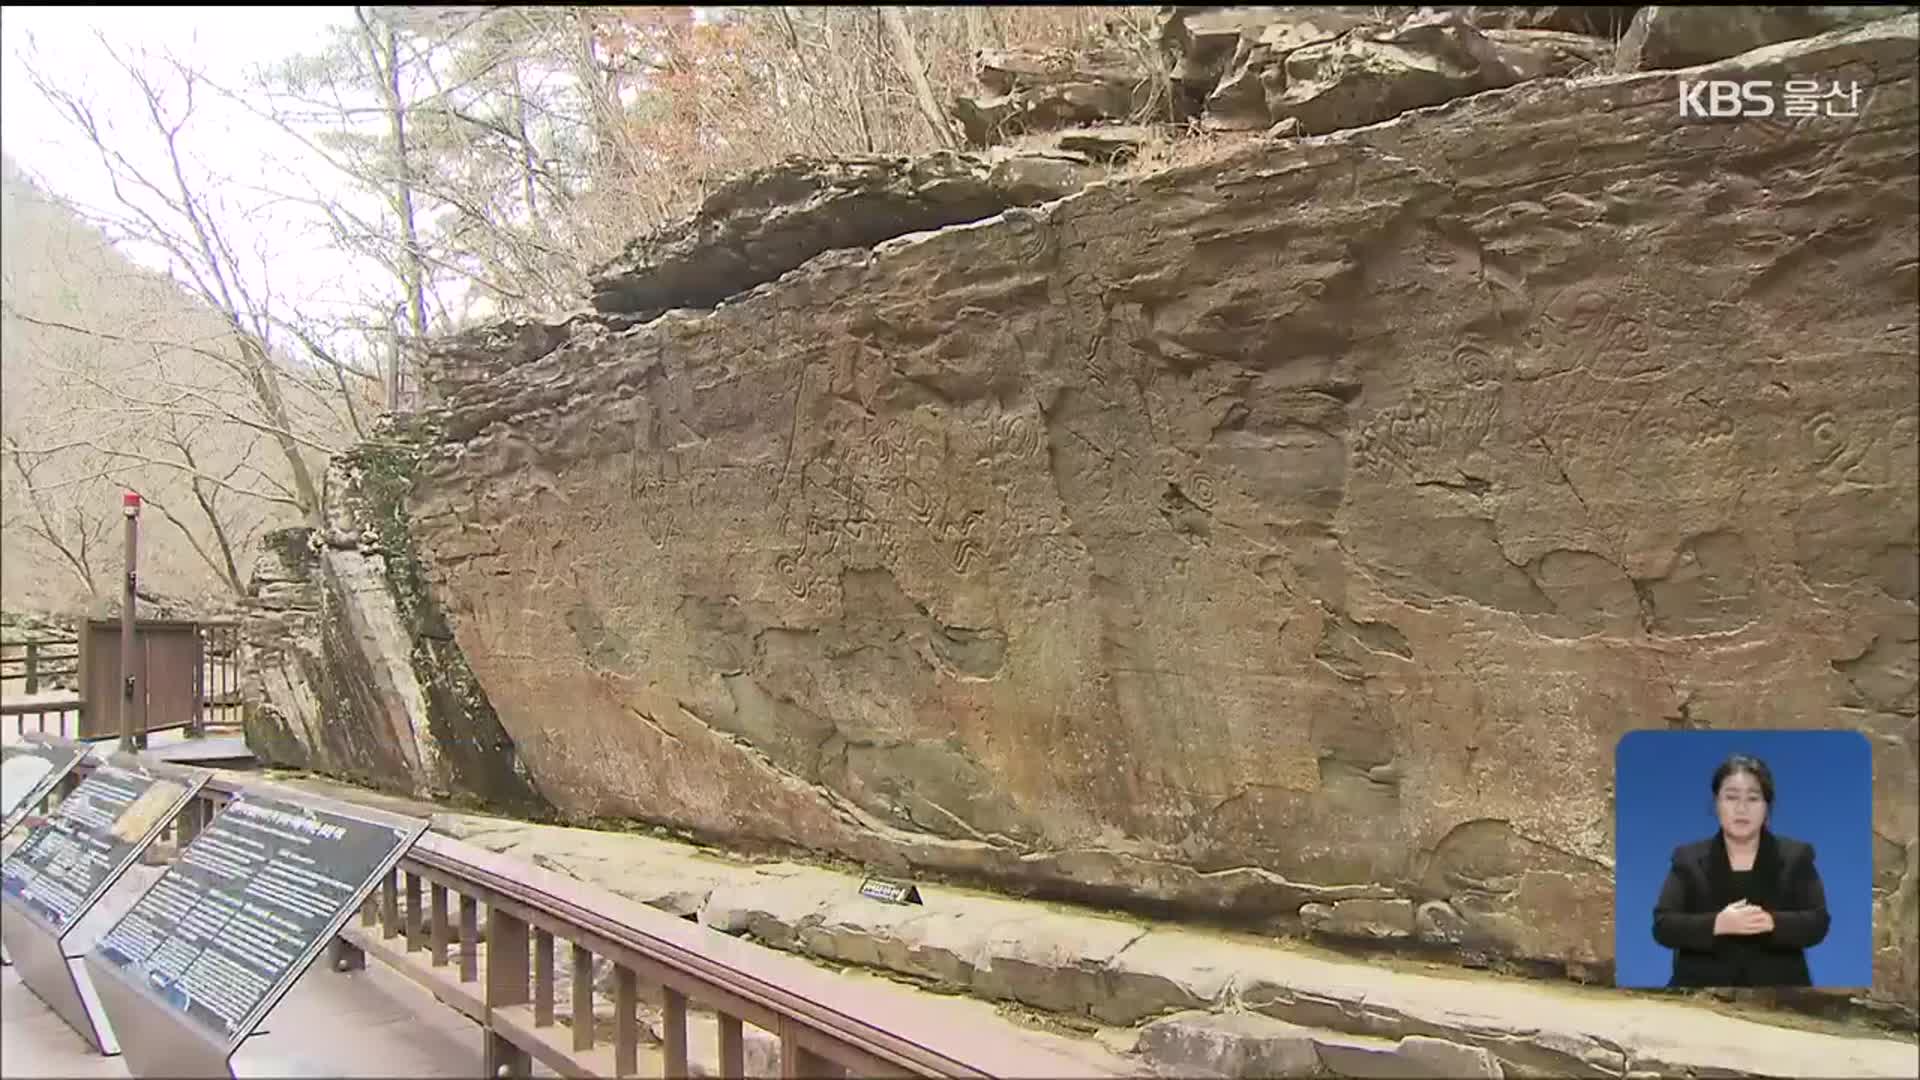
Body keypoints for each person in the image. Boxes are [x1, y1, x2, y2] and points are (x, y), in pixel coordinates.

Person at [1651, 753, 1831, 987]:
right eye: (1731, 797)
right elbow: (1664, 926)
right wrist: (1717, 924)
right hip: (1699, 988)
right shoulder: (1688, 859)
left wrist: (1770, 922)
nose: (1741, 808)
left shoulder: (1795, 857)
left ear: (1767, 806)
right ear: (1717, 804)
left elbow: (1818, 922)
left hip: (1780, 991)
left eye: (1753, 798)